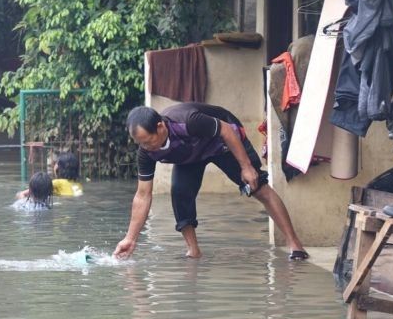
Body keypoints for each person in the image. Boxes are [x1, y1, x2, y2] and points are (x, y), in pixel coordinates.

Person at [113, 104, 308, 261]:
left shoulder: (188, 121)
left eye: (148, 141)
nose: (146, 147)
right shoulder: (145, 153)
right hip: (190, 156)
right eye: (141, 144)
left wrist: (246, 167)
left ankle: (295, 244)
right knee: (180, 195)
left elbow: (226, 131)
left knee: (258, 188)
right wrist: (130, 238)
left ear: (160, 127)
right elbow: (142, 195)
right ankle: (193, 252)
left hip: (221, 144)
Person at [16, 152, 83, 199]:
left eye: (56, 163)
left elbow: (24, 194)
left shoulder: (57, 183)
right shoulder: (78, 185)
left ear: (58, 168)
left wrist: (22, 199)